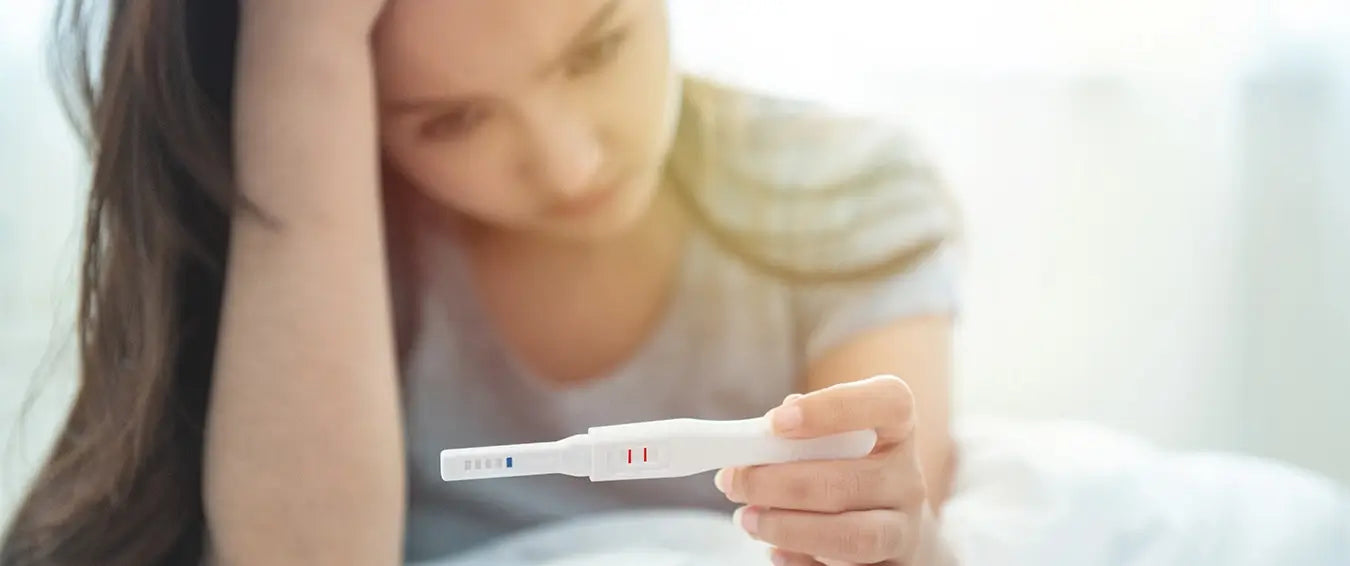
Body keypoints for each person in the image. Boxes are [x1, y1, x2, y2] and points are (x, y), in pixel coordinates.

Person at [1, 0, 962, 565]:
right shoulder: (337, 254)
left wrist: (898, 536)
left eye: (597, 47)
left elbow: (904, 517)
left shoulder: (851, 189)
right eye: (452, 121)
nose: (571, 163)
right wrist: (302, 49)